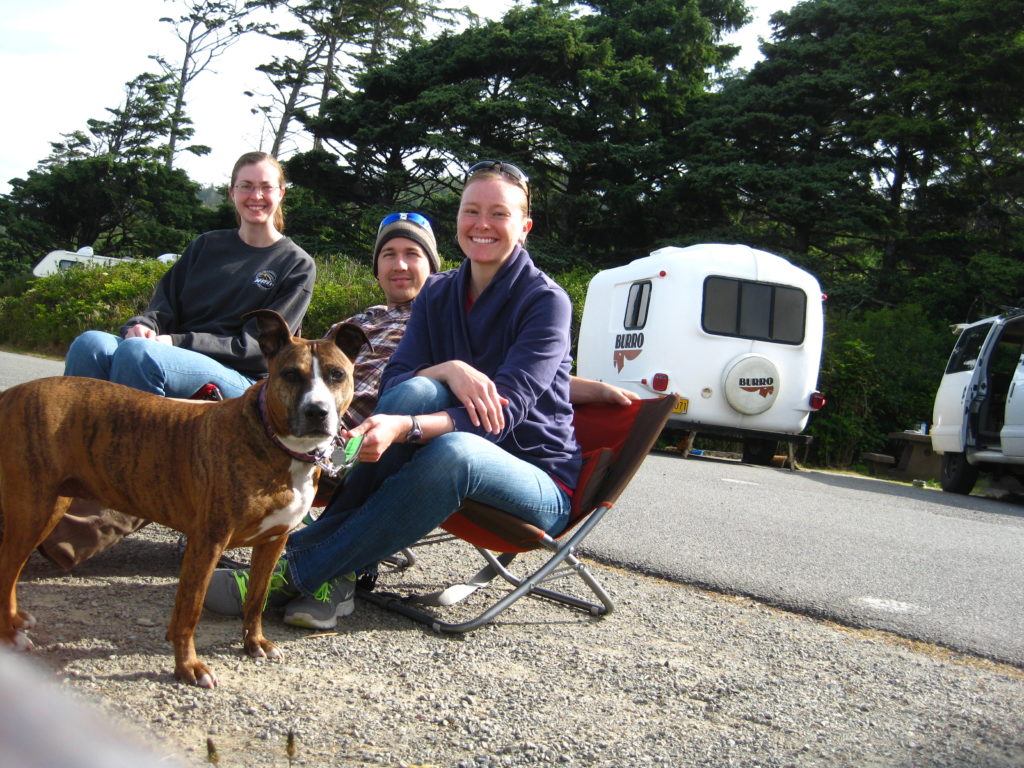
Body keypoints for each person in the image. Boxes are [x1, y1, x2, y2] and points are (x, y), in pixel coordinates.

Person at [205, 160, 635, 629]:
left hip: (537, 480)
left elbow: (504, 413)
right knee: (415, 390)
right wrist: (450, 371)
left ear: (524, 226)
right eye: (472, 211)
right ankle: (340, 567)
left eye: (499, 214)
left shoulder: (545, 301)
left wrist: (406, 428)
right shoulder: (438, 291)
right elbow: (396, 382)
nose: (482, 225)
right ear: (457, 220)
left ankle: (292, 571)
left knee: (452, 448)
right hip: (453, 456)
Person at [39, 151, 316, 571]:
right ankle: (65, 465)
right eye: (246, 186)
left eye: (265, 187)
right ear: (232, 192)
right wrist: (144, 324)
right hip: (166, 352)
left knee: (139, 354)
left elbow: (255, 348)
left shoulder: (295, 264)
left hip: (240, 384)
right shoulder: (206, 246)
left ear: (281, 194)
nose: (255, 195)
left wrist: (170, 341)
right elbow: (162, 305)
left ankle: (127, 480)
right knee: (91, 343)